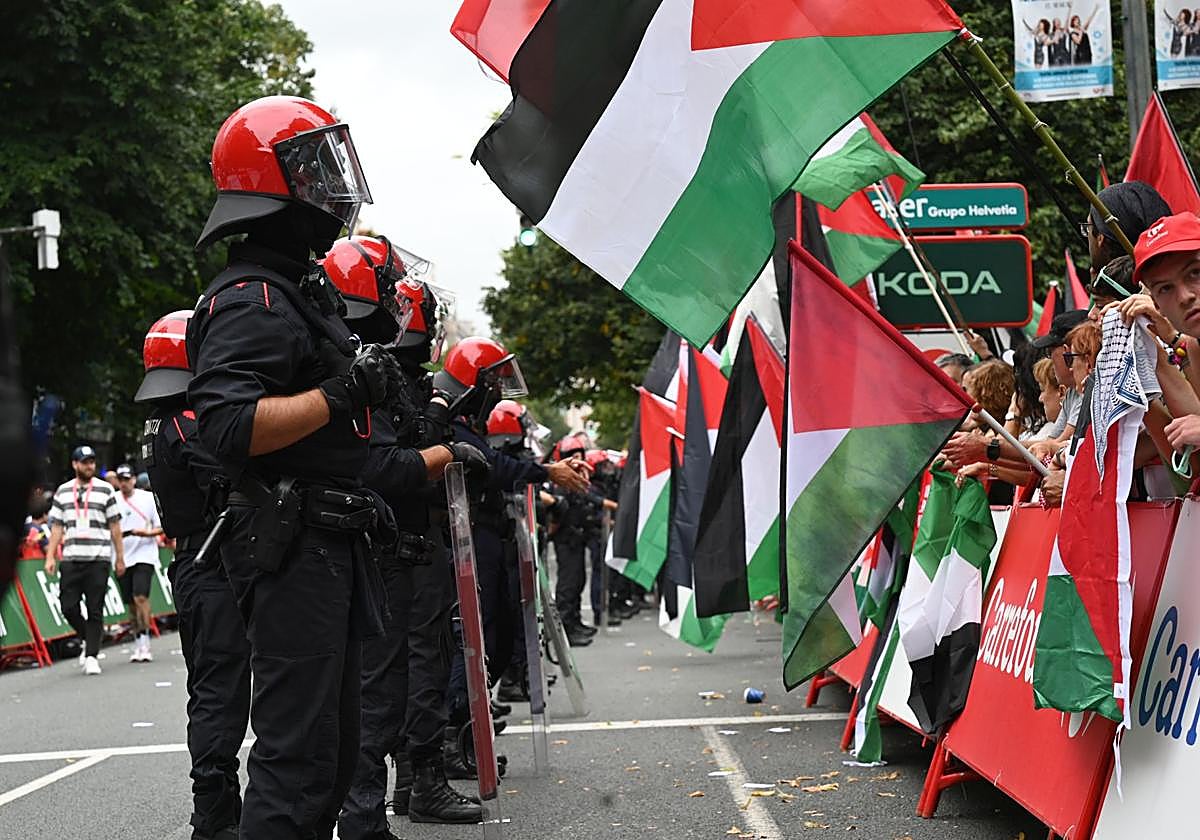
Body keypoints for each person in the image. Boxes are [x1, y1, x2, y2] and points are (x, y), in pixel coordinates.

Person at [186, 95, 399, 840]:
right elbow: (229, 425)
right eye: (314, 165)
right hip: (293, 550)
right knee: (295, 764)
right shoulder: (252, 297)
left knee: (329, 760)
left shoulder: (290, 291)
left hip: (324, 545)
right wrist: (342, 391)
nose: (331, 182)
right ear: (273, 182)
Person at [322, 235, 488, 836]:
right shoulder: (351, 370)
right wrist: (446, 451)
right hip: (378, 552)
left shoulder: (388, 376)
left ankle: (390, 798)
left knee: (390, 687)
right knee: (373, 695)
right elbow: (382, 467)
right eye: (387, 288)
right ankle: (365, 814)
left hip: (400, 551)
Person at [135, 309, 250, 840]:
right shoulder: (188, 423)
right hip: (215, 563)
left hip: (193, 561)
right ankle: (215, 814)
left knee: (212, 689)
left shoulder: (158, 423)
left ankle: (219, 808)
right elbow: (233, 475)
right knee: (220, 694)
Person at [44, 445, 125, 675]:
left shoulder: (106, 490)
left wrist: (120, 557)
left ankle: (91, 655)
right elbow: (57, 526)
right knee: (68, 606)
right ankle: (87, 638)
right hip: (71, 557)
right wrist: (50, 555)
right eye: (84, 462)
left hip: (98, 557)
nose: (89, 466)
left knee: (95, 608)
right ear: (74, 464)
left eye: (92, 462)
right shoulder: (62, 491)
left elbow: (115, 526)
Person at [115, 462, 163, 662]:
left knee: (140, 597)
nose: (125, 483)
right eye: (121, 480)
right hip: (122, 557)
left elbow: (161, 527)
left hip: (144, 554)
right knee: (130, 603)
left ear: (134, 479)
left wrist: (145, 533)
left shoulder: (147, 498)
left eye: (128, 479)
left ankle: (146, 641)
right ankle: (137, 639)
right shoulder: (113, 500)